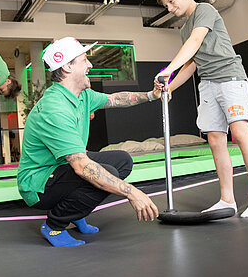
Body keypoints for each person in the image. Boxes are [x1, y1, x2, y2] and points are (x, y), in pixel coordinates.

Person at [17, 37, 160, 247]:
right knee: (102, 171)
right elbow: (82, 167)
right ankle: (55, 225)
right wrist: (132, 192)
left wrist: (152, 95)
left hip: (60, 166)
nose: (90, 65)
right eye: (84, 60)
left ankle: (74, 212)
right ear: (67, 66)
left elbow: (115, 99)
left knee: (122, 161)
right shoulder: (55, 108)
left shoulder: (81, 94)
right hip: (38, 183)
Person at [155, 0, 248, 218]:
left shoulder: (204, 10)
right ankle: (227, 200)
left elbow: (197, 41)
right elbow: (192, 64)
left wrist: (167, 70)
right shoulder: (184, 29)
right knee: (215, 139)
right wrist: (170, 87)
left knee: (239, 132)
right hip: (207, 83)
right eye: (166, 6)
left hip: (230, 77)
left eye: (173, 2)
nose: (170, 8)